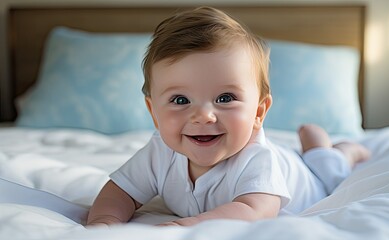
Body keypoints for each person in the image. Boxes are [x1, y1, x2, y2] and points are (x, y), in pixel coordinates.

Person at [86, 6, 370, 227]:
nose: (203, 116)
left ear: (258, 112)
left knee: (329, 169)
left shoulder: (257, 158)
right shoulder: (158, 152)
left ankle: (335, 148)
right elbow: (119, 193)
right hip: (288, 161)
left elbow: (253, 210)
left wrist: (193, 226)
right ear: (154, 113)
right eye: (180, 100)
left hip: (310, 179)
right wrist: (104, 222)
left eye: (225, 98)